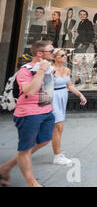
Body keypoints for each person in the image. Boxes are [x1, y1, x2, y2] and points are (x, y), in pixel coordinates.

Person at [0, 40, 55, 187]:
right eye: (51, 51)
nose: (54, 53)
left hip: (47, 111)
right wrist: (41, 70)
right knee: (25, 149)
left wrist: (51, 106)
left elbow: (48, 89)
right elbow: (30, 91)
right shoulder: (25, 70)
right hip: (29, 114)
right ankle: (32, 183)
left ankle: (5, 168)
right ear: (39, 54)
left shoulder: (49, 68)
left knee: (43, 141)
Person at [51, 49, 87, 165]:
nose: (64, 56)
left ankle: (28, 151)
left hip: (63, 97)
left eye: (65, 55)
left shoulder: (67, 70)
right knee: (59, 126)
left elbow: (70, 85)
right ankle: (57, 156)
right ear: (54, 57)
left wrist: (80, 95)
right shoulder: (50, 70)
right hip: (53, 97)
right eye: (61, 55)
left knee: (56, 127)